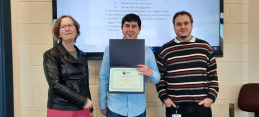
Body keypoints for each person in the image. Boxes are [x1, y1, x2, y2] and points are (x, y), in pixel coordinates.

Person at [155, 11, 219, 117]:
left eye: (186, 23)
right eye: (178, 24)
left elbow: (213, 76)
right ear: (174, 27)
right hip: (175, 107)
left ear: (192, 25)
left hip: (201, 106)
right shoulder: (165, 50)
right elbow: (160, 78)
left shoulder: (205, 47)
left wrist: (211, 98)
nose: (183, 27)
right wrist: (164, 98)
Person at [98, 13, 161, 117]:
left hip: (138, 109)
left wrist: (150, 72)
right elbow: (104, 78)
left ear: (139, 29)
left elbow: (157, 79)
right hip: (115, 108)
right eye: (127, 26)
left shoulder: (148, 51)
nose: (130, 30)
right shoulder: (110, 49)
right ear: (122, 28)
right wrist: (102, 104)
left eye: (134, 26)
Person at [43, 15, 94, 117]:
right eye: (63, 27)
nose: (67, 29)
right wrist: (83, 100)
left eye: (70, 25)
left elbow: (85, 84)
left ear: (76, 31)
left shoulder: (83, 55)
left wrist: (90, 109)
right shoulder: (51, 54)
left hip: (82, 108)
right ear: (59, 34)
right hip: (61, 108)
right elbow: (55, 85)